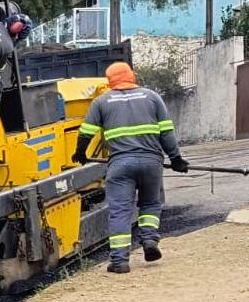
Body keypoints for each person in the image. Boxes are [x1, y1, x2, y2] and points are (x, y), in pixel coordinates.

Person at [72, 62, 189, 274]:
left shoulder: (101, 101)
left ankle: (119, 261)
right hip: (152, 163)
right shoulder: (152, 97)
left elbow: (86, 132)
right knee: (151, 203)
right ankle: (150, 239)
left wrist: (80, 154)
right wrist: (176, 158)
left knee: (120, 211)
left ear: (110, 81)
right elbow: (166, 132)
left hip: (120, 165)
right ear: (131, 76)